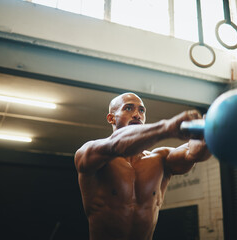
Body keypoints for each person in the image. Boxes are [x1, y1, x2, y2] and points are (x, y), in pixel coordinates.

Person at [74, 92, 211, 240]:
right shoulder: (92, 152)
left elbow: (193, 153)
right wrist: (166, 128)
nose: (137, 115)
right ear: (111, 118)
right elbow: (117, 146)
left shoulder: (161, 159)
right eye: (128, 108)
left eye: (141, 110)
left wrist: (211, 130)